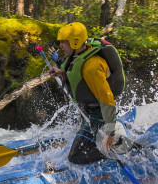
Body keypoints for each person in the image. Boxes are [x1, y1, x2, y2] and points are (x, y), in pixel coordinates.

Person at [49, 22, 126, 164]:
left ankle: (117, 148)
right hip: (89, 109)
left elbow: (107, 100)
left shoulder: (92, 67)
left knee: (75, 157)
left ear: (75, 42)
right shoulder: (78, 55)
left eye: (63, 42)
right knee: (85, 140)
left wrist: (110, 133)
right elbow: (78, 74)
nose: (60, 46)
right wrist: (61, 71)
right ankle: (104, 142)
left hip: (99, 113)